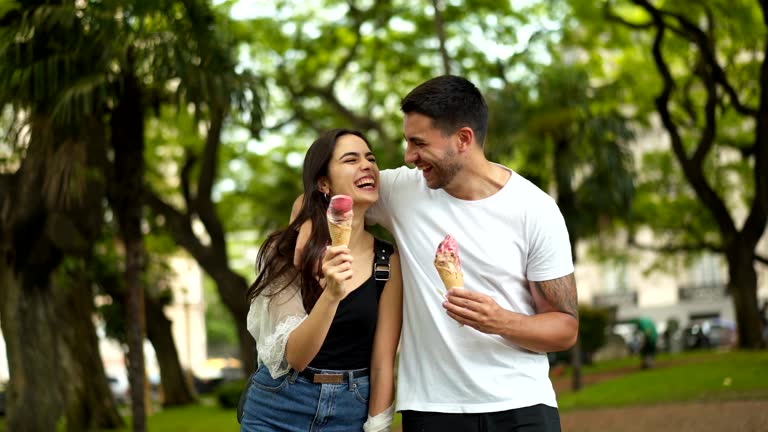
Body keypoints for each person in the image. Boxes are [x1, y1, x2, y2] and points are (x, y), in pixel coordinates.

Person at [295, 75, 579, 431]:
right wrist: (307, 247)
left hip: (522, 407)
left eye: (418, 143)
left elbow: (565, 329)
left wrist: (500, 320)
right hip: (432, 410)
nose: (408, 156)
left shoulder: (535, 209)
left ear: (463, 139)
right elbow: (320, 198)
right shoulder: (402, 191)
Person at [240, 128, 403, 432]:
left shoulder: (387, 260)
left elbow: (382, 363)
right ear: (324, 183)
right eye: (350, 160)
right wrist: (332, 294)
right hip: (279, 405)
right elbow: (296, 356)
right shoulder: (287, 249)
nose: (367, 165)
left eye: (370, 158)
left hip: (350, 408)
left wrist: (378, 426)